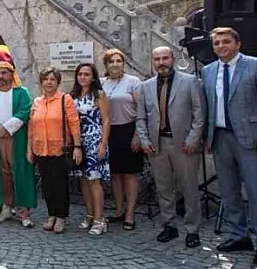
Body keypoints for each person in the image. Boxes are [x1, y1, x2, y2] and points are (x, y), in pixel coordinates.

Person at [203, 27, 257, 266]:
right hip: (220, 138)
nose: (221, 46)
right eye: (216, 43)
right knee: (228, 192)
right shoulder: (208, 71)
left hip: (251, 139)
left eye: (226, 42)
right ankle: (239, 235)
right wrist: (207, 138)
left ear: (237, 44)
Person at [136, 46, 206, 247]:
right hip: (157, 145)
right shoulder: (145, 86)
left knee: (189, 188)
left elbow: (199, 114)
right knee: (163, 188)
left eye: (165, 58)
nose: (161, 62)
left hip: (184, 144)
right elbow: (141, 117)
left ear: (172, 59)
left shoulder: (190, 81)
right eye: (157, 59)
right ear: (153, 62)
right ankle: (169, 225)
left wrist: (193, 139)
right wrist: (144, 140)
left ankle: (192, 229)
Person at [0, 52, 35, 226]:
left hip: (16, 138)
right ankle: (6, 206)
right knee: (2, 172)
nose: (0, 77)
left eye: (4, 73)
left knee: (18, 171)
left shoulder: (22, 92)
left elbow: (24, 111)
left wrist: (8, 128)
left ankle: (23, 211)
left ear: (11, 73)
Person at [27, 66, 82, 233]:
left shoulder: (65, 100)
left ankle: (61, 216)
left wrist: (77, 147)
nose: (49, 82)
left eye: (52, 79)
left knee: (60, 184)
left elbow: (74, 123)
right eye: (46, 79)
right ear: (41, 82)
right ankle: (51, 214)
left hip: (59, 148)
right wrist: (29, 149)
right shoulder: (37, 101)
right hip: (40, 148)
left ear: (57, 82)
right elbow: (31, 126)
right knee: (47, 184)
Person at [100, 48, 143, 229]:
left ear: (123, 63)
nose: (115, 65)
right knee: (115, 174)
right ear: (106, 65)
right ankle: (119, 210)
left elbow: (142, 109)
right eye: (111, 62)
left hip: (129, 129)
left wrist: (138, 135)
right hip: (110, 131)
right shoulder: (102, 83)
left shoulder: (133, 82)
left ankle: (130, 213)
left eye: (119, 61)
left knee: (130, 174)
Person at [70, 63, 111, 235]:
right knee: (83, 180)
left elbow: (106, 120)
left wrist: (103, 144)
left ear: (93, 77)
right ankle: (89, 214)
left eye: (86, 74)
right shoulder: (73, 96)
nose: (83, 77)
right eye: (80, 74)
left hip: (95, 140)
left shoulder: (98, 94)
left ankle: (100, 219)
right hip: (79, 142)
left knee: (94, 180)